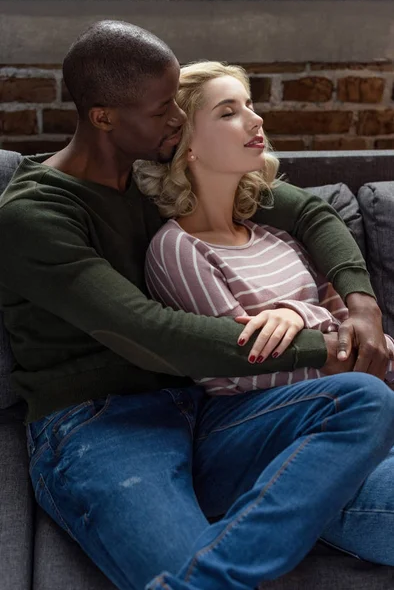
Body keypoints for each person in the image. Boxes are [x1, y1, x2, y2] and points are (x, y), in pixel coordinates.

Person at [0, 21, 393, 590]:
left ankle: (215, 572)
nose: (179, 120)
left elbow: (310, 211)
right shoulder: (33, 215)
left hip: (204, 414)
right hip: (99, 425)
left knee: (363, 397)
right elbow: (150, 333)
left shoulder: (155, 176)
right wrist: (327, 343)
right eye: (163, 110)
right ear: (104, 116)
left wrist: (363, 310)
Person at [140, 61, 394, 397]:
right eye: (228, 113)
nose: (256, 119)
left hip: (352, 394)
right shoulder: (178, 248)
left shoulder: (278, 236)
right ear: (187, 145)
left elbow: (373, 344)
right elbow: (242, 368)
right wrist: (345, 356)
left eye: (249, 106)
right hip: (269, 413)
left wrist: (298, 314)